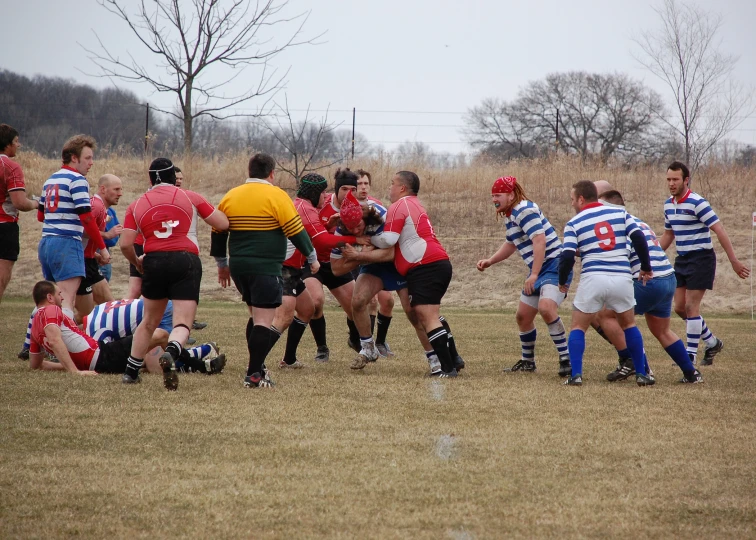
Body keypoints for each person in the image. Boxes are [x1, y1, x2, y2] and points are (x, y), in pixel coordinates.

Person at [210, 153, 318, 388]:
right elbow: (295, 230)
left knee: (255, 315)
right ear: (272, 173)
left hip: (239, 267)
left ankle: (257, 368)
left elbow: (218, 230)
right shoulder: (276, 195)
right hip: (265, 266)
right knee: (262, 320)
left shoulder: (231, 195)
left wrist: (222, 265)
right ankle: (254, 375)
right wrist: (312, 257)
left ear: (249, 171)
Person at [120, 157, 229, 390]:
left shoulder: (137, 204)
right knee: (183, 322)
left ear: (150, 179)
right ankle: (171, 353)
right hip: (185, 260)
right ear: (174, 177)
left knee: (149, 321)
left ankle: (130, 371)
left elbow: (125, 244)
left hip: (154, 261)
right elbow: (222, 222)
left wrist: (137, 262)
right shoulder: (190, 196)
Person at [332, 190, 447, 373]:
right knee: (358, 300)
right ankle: (368, 348)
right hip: (372, 264)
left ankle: (434, 357)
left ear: (364, 216)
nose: (355, 231)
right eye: (350, 228)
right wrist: (361, 256)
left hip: (398, 262)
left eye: (358, 226)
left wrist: (359, 255)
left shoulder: (381, 216)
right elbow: (336, 269)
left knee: (413, 312)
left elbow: (391, 253)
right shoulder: (341, 231)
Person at [596, 190, 703, 383]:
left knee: (605, 314)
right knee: (662, 331)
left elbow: (620, 256)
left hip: (648, 281)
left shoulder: (617, 225)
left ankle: (640, 368)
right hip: (667, 278)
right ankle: (691, 373)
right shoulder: (638, 221)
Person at [558, 180, 654, 387]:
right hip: (621, 277)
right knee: (629, 324)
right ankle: (641, 374)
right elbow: (638, 237)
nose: (572, 204)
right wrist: (646, 266)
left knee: (578, 327)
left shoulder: (574, 223)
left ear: (581, 199)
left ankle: (576, 375)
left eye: (573, 200)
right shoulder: (619, 213)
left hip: (593, 277)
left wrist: (561, 281)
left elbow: (566, 256)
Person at [476, 176, 572, 377]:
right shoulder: (510, 214)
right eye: (492, 195)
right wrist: (490, 261)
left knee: (546, 308)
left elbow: (539, 240)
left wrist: (535, 274)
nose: (494, 199)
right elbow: (511, 244)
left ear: (511, 195)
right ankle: (528, 362)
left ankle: (566, 359)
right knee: (523, 316)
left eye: (498, 195)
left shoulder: (524, 210)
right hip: (540, 269)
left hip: (554, 265)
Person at [370, 171, 462, 378]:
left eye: (392, 183)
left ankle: (448, 369)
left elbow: (388, 240)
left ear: (402, 188)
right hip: (435, 263)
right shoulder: (414, 203)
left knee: (427, 317)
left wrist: (367, 240)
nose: (389, 188)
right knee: (430, 315)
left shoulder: (399, 205)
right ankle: (454, 359)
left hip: (426, 265)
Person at [659, 161, 750, 365]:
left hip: (701, 258)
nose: (671, 183)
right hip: (682, 260)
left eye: (675, 179)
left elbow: (719, 229)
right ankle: (712, 342)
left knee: (692, 307)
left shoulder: (697, 202)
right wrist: (649, 255)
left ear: (685, 180)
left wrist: (734, 260)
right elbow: (668, 235)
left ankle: (689, 357)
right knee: (680, 308)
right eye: (668, 179)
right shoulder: (668, 205)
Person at [37, 134, 110, 320]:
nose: (91, 162)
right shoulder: (77, 180)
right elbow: (86, 218)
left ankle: (32, 342)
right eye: (88, 158)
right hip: (67, 243)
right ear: (74, 158)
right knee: (66, 299)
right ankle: (63, 346)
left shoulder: (50, 180)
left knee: (49, 299)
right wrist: (102, 247)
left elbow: (40, 215)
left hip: (46, 243)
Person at [27, 281, 164, 375]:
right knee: (160, 334)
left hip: (98, 361)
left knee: (143, 349)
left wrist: (75, 366)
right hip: (103, 356)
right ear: (50, 297)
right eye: (59, 294)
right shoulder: (51, 310)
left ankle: (148, 363)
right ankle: (182, 362)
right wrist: (74, 371)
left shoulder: (34, 327)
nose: (62, 298)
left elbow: (37, 365)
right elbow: (54, 341)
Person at [304, 168, 369, 362]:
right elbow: (308, 235)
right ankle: (322, 348)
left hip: (338, 263)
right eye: (344, 189)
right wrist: (328, 227)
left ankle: (355, 340)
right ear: (336, 189)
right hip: (314, 262)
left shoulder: (359, 208)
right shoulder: (320, 204)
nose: (349, 193)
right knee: (316, 302)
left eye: (353, 189)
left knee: (354, 306)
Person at [83, 298, 225, 375]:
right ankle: (203, 352)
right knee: (152, 355)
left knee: (155, 366)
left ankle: (199, 356)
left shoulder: (95, 332)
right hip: (158, 306)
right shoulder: (95, 313)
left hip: (159, 312)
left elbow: (102, 360)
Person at [355, 168, 395, 356]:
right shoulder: (349, 209)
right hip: (358, 260)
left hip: (378, 258)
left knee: (387, 301)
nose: (363, 187)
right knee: (367, 301)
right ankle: (366, 344)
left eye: (366, 183)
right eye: (359, 184)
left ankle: (380, 343)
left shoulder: (377, 206)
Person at [75, 174, 123, 319]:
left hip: (89, 261)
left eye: (121, 189)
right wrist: (107, 235)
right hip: (81, 263)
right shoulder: (96, 205)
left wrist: (95, 254)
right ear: (103, 189)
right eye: (116, 189)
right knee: (86, 314)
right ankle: (54, 329)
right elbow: (81, 230)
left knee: (110, 307)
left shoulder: (100, 206)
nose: (120, 193)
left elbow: (84, 238)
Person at [0, 124, 38, 304]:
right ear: (7, 144)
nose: (18, 145)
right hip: (4, 226)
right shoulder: (10, 166)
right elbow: (20, 203)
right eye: (16, 141)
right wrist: (37, 203)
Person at [100, 206, 120, 282]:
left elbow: (118, 227)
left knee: (105, 277)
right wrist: (106, 234)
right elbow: (87, 230)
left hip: (106, 249)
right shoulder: (96, 207)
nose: (120, 194)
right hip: (97, 249)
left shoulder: (110, 210)